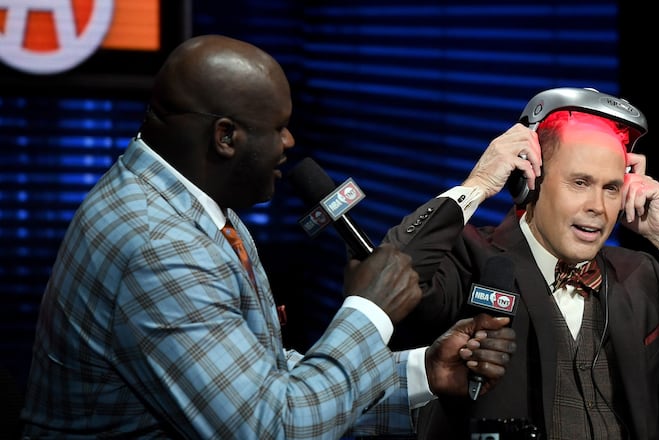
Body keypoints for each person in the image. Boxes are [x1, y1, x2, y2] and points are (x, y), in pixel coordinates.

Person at [18, 34, 518, 439]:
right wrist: (369, 312)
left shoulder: (195, 204)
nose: (290, 143)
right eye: (279, 128)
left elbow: (266, 380)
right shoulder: (158, 242)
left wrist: (422, 372)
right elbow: (273, 426)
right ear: (226, 136)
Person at [382, 93, 659, 439]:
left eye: (610, 188)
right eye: (580, 182)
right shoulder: (471, 256)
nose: (598, 207)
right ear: (529, 183)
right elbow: (383, 286)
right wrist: (479, 184)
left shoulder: (638, 273)